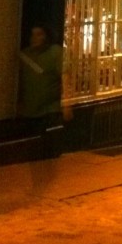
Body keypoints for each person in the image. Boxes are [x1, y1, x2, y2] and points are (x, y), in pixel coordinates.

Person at [18, 25, 70, 157]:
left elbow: (65, 76)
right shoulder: (26, 54)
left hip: (49, 110)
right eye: (32, 34)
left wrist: (66, 103)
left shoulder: (55, 52)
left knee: (49, 151)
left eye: (39, 34)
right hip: (30, 110)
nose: (35, 38)